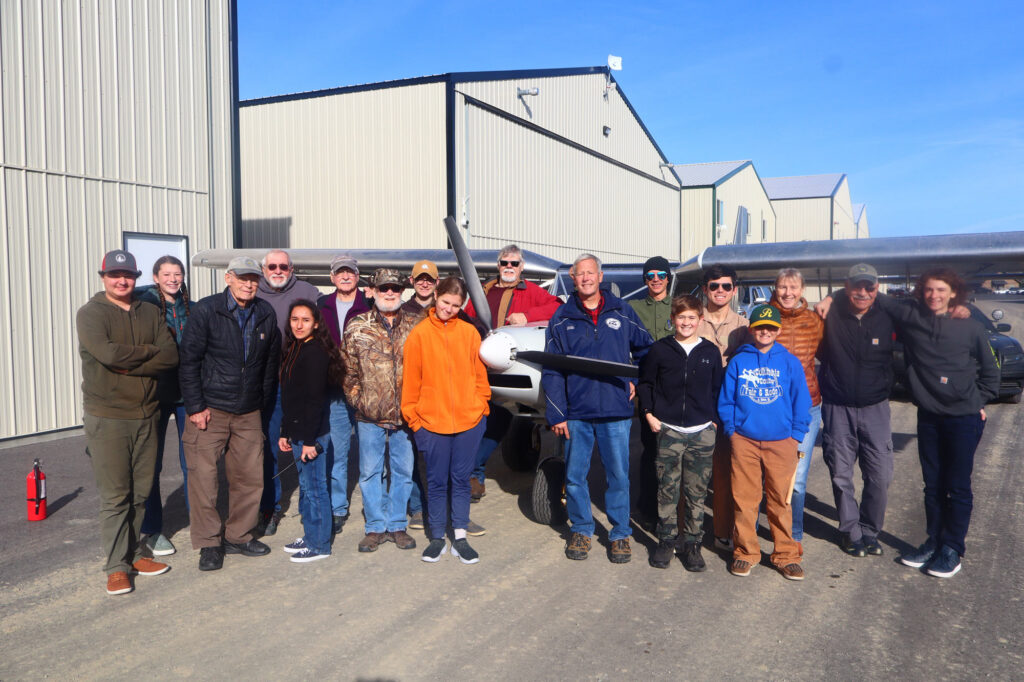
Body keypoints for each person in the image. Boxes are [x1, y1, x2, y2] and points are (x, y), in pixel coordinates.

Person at [819, 268, 998, 577]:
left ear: (953, 292)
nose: (935, 295)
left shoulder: (965, 325)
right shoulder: (897, 315)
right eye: (929, 290)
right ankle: (928, 541)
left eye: (941, 290)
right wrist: (829, 295)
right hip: (924, 415)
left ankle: (950, 547)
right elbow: (859, 293)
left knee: (951, 486)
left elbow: (991, 373)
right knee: (930, 486)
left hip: (956, 417)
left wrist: (975, 402)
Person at [76, 249, 178, 595]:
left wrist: (135, 358)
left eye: (128, 275)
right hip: (109, 418)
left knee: (140, 493)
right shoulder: (90, 314)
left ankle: (134, 554)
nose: (122, 281)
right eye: (115, 275)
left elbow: (169, 356)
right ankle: (116, 566)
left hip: (147, 414)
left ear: (136, 277)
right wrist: (148, 353)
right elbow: (107, 355)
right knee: (115, 495)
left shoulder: (150, 311)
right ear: (103, 277)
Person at [543, 254, 653, 563]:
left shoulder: (623, 311)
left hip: (616, 412)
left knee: (618, 476)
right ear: (573, 278)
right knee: (576, 476)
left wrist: (636, 381)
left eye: (591, 273)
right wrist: (557, 413)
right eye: (581, 274)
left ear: (600, 276)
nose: (586, 278)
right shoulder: (561, 318)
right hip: (577, 413)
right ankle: (581, 528)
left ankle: (620, 534)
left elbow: (647, 351)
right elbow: (552, 370)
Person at [178, 256, 281, 571]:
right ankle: (209, 543)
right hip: (211, 409)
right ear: (228, 279)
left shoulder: (264, 313)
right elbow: (189, 361)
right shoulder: (207, 311)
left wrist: (260, 403)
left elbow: (269, 365)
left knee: (249, 478)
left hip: (248, 411)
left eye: (253, 278)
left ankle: (239, 535)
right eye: (242, 278)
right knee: (204, 480)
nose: (249, 284)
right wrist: (195, 406)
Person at [718, 304, 811, 581]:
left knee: (780, 500)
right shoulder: (738, 361)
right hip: (744, 440)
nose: (765, 331)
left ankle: (786, 555)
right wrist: (732, 431)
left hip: (781, 441)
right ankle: (746, 552)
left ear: (778, 330)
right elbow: (727, 400)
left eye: (771, 327)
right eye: (760, 327)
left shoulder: (789, 362)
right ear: (752, 329)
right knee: (745, 499)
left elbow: (801, 401)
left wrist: (795, 434)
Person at [402, 277, 491, 563]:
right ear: (436, 297)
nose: (449, 309)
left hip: (469, 421)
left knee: (461, 480)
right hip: (431, 423)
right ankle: (438, 536)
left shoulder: (469, 333)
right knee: (437, 481)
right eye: (445, 303)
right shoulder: (419, 334)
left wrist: (482, 407)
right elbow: (411, 383)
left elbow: (480, 376)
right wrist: (415, 421)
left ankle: (460, 537)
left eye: (455, 305)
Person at [465, 245, 561, 504]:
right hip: (479, 366)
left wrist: (527, 315)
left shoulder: (531, 292)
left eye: (514, 263)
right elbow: (467, 320)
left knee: (497, 419)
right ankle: (469, 471)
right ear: (498, 265)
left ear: (522, 267)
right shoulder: (482, 292)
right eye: (504, 262)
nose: (509, 267)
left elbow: (558, 308)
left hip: (510, 371)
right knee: (475, 421)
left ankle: (474, 473)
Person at [342, 268, 425, 553]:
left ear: (403, 291)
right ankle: (375, 527)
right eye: (384, 288)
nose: (390, 293)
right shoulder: (357, 325)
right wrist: (360, 401)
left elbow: (427, 369)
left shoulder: (417, 325)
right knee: (370, 472)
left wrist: (417, 405)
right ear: (373, 291)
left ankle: (397, 525)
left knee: (403, 471)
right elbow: (347, 371)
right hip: (369, 417)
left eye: (395, 288)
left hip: (405, 415)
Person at [637, 295, 723, 571]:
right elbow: (646, 383)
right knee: (668, 489)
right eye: (681, 317)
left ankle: (693, 544)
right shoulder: (660, 350)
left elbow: (717, 390)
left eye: (691, 317)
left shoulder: (709, 351)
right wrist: (649, 413)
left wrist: (714, 421)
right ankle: (666, 541)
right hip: (669, 430)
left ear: (700, 320)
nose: (686, 322)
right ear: (673, 319)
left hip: (701, 430)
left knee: (696, 491)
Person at [816, 264, 895, 557]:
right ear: (846, 287)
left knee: (880, 475)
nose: (863, 292)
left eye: (869, 287)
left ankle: (871, 530)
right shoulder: (831, 314)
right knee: (840, 473)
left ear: (877, 289)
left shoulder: (888, 316)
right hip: (837, 407)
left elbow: (918, 310)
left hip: (875, 408)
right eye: (857, 286)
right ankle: (850, 531)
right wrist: (831, 299)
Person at [256, 249, 320, 536]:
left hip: (297, 379)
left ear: (292, 269)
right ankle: (271, 508)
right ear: (263, 269)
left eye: (284, 266)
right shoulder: (251, 290)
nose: (278, 270)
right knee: (267, 448)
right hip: (265, 382)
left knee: (305, 445)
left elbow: (323, 326)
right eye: (272, 266)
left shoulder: (307, 291)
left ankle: (313, 508)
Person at [278, 300, 346, 563]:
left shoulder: (315, 352)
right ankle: (310, 535)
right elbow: (291, 397)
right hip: (297, 432)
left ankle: (319, 545)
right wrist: (285, 430)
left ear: (316, 323)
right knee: (306, 488)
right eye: (295, 319)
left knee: (316, 489)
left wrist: (309, 441)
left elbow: (315, 400)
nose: (299, 325)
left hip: (312, 435)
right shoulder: (295, 348)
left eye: (305, 320)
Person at [134, 255, 191, 557]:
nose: (172, 279)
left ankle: (201, 520)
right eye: (166, 274)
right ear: (155, 277)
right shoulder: (145, 306)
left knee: (192, 462)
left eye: (177, 274)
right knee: (150, 465)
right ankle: (153, 529)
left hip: (187, 396)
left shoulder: (192, 309)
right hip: (155, 394)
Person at [696, 264, 752, 552]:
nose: (720, 291)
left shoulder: (744, 326)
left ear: (734, 290)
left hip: (730, 406)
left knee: (725, 472)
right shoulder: (693, 320)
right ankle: (685, 531)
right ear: (705, 289)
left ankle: (722, 530)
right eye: (714, 285)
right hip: (696, 403)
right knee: (690, 470)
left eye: (726, 286)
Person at [769, 268, 824, 547]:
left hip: (807, 408)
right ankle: (763, 524)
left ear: (802, 290)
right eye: (782, 287)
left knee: (798, 477)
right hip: (770, 406)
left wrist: (833, 300)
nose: (788, 293)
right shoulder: (764, 317)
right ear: (774, 288)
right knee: (767, 471)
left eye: (793, 288)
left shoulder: (815, 321)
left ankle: (794, 533)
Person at [317, 254, 370, 535]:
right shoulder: (321, 305)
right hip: (335, 392)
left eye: (350, 272)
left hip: (363, 390)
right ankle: (338, 507)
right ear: (332, 278)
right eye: (340, 272)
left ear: (357, 276)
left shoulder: (369, 305)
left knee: (371, 452)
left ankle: (374, 507)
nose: (346, 277)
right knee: (338, 451)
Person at [629, 255, 675, 528]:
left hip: (675, 389)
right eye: (649, 275)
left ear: (668, 277)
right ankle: (647, 507)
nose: (655, 279)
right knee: (650, 449)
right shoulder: (631, 308)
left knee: (675, 452)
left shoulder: (679, 306)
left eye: (660, 274)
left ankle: (673, 509)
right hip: (647, 387)